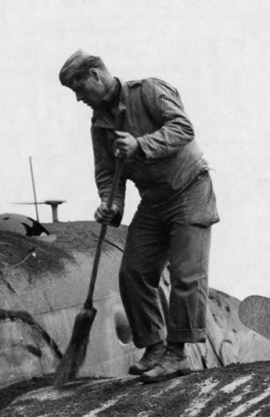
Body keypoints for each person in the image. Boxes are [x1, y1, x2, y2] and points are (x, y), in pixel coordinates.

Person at [59, 50, 218, 382]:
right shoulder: (99, 124)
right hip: (153, 200)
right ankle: (155, 348)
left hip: (188, 190)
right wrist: (111, 204)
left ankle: (177, 355)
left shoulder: (148, 91)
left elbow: (183, 128)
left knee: (186, 276)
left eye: (79, 88)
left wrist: (141, 145)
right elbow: (107, 173)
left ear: (95, 76)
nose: (78, 98)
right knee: (133, 272)